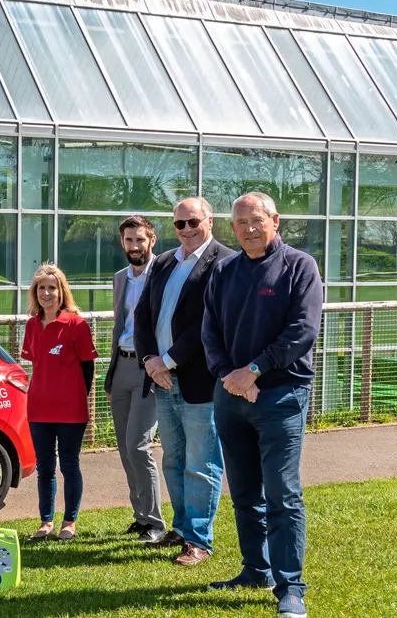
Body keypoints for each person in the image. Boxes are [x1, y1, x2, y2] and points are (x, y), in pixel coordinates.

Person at [203, 192, 322, 618]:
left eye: (256, 220)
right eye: (240, 223)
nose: (249, 229)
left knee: (283, 494)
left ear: (275, 220)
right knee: (244, 492)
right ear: (231, 228)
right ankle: (256, 568)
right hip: (231, 397)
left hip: (280, 396)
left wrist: (253, 370)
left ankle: (291, 588)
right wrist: (228, 377)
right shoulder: (224, 270)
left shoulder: (299, 267)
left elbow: (303, 331)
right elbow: (210, 332)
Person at [135, 197, 235, 567]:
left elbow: (210, 322)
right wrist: (150, 361)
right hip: (161, 379)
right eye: (180, 224)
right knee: (173, 459)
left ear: (210, 220)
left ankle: (199, 539)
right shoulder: (163, 262)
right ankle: (179, 528)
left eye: (193, 222)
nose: (187, 230)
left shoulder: (224, 262)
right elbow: (142, 315)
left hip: (199, 380)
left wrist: (169, 359)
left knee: (202, 463)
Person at [20, 263, 98, 541]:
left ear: (62, 291)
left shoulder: (76, 324)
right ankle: (45, 522)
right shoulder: (31, 326)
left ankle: (70, 522)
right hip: (39, 408)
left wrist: (78, 397)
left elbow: (88, 368)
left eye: (52, 287)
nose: (47, 293)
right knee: (44, 467)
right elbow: (36, 365)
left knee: (69, 464)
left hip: (70, 410)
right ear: (35, 292)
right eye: (42, 288)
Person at [103, 215, 165, 544]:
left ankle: (155, 523)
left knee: (139, 447)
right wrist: (111, 375)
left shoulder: (164, 273)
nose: (134, 246)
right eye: (128, 240)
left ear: (151, 240)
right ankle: (140, 518)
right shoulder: (120, 278)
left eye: (140, 240)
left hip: (149, 370)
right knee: (125, 450)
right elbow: (118, 328)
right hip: (122, 368)